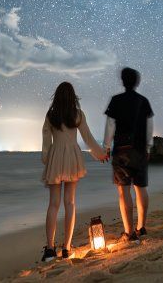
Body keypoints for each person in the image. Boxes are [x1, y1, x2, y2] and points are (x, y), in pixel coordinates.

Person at [40, 81, 107, 262]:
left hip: (56, 157)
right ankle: (67, 248)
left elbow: (46, 143)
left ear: (57, 97)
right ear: (73, 97)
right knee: (70, 202)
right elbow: (88, 138)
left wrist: (47, 160)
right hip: (72, 158)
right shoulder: (77, 115)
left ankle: (50, 249)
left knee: (53, 204)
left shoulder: (51, 115)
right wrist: (100, 155)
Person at [103, 67, 154, 244]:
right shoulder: (143, 101)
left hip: (122, 150)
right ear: (137, 82)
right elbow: (149, 125)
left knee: (124, 191)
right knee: (141, 188)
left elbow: (110, 124)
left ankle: (129, 232)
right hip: (139, 150)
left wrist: (106, 146)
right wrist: (148, 147)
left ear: (123, 81)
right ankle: (142, 227)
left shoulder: (116, 100)